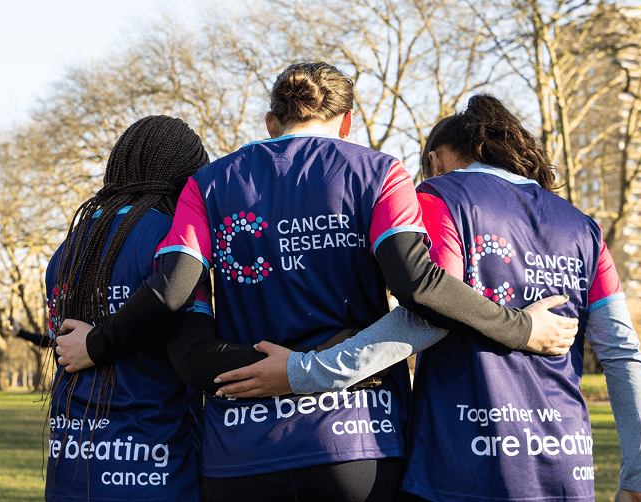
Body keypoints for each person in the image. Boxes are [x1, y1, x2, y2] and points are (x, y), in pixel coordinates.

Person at [55, 63, 579, 502]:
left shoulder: (208, 183)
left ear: (269, 120)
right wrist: (518, 328)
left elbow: (172, 292)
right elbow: (421, 288)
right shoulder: (380, 172)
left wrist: (100, 343)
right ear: (348, 121)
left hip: (240, 456)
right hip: (356, 447)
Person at [215, 95, 641, 502]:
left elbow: (424, 315)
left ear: (435, 159)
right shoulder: (583, 228)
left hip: (461, 466)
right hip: (566, 465)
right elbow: (622, 352)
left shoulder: (439, 196)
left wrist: (304, 372)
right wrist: (640, 480)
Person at [37, 115, 220, 502]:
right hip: (155, 467)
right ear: (187, 179)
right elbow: (193, 355)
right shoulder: (174, 244)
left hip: (72, 464)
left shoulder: (67, 250)